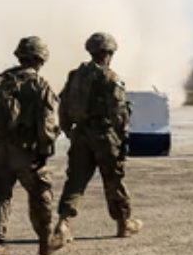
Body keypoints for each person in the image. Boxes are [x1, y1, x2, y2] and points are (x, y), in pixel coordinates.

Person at [0, 36, 64, 255]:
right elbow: (48, 122)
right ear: (41, 58)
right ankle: (45, 242)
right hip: (26, 151)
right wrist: (45, 148)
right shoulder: (39, 84)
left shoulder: (1, 80)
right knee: (41, 194)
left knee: (1, 197)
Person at [53, 32, 141, 244]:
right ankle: (123, 223)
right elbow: (119, 113)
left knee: (75, 181)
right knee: (113, 180)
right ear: (109, 53)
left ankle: (63, 224)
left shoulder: (75, 76)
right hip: (104, 136)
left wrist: (68, 129)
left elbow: (64, 104)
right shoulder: (112, 78)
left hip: (81, 134)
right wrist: (122, 139)